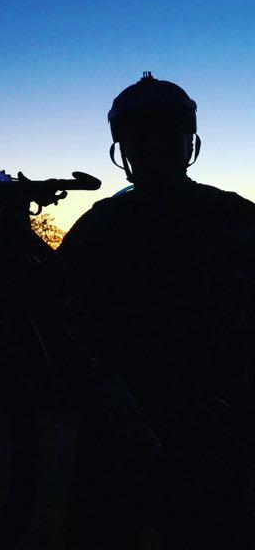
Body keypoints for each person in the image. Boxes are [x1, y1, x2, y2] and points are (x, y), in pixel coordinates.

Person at [59, 72, 255, 549]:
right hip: (216, 427)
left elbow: (59, 305)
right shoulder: (236, 215)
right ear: (190, 142)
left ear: (122, 148)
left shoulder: (100, 223)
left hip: (120, 426)